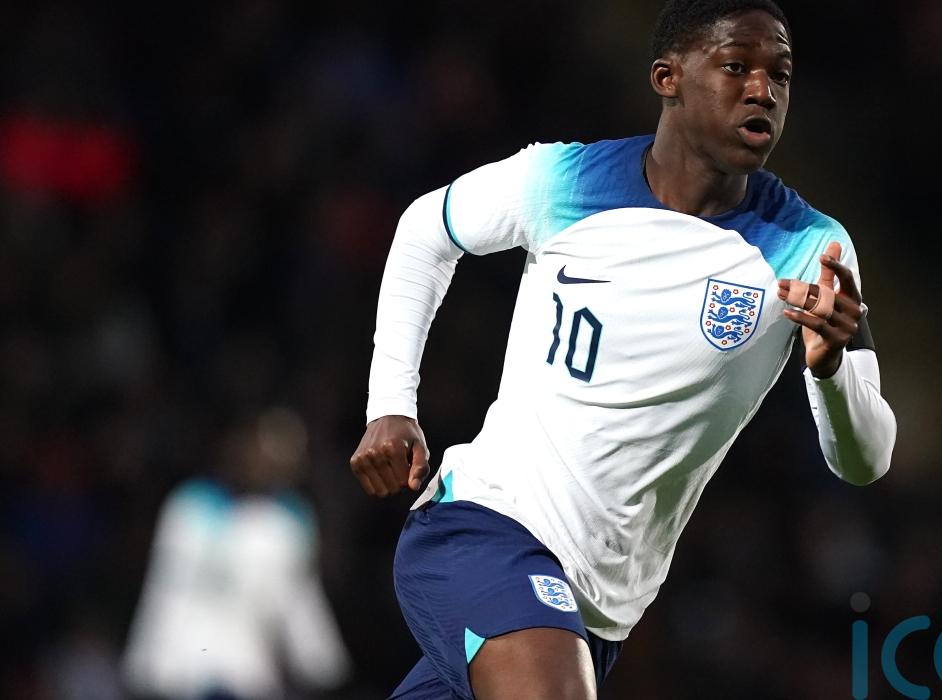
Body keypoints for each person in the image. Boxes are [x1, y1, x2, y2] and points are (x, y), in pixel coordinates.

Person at [350, 1, 897, 697]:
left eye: (780, 75)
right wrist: (391, 405)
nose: (763, 90)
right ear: (668, 78)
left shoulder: (813, 247)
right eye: (737, 67)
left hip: (597, 611)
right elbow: (426, 229)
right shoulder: (562, 180)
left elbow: (866, 460)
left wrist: (830, 369)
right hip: (485, 529)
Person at [124, 408, 351, 699]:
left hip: (247, 674)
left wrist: (321, 661)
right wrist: (147, 662)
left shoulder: (287, 523)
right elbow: (166, 590)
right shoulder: (190, 505)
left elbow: (298, 599)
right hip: (181, 672)